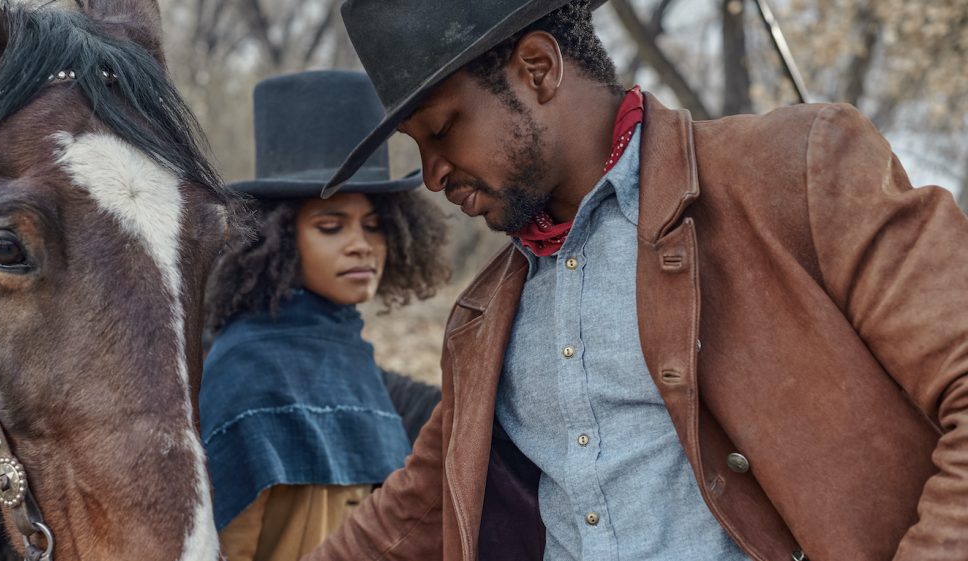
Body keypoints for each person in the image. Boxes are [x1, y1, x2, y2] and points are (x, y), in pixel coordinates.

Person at [304, 1, 968, 560]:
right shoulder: (482, 318)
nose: (432, 173)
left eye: (443, 129)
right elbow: (410, 514)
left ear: (537, 70)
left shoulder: (798, 169)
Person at [199, 70, 450, 561]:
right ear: (281, 239)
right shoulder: (247, 363)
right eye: (331, 226)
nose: (361, 245)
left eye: (374, 226)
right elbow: (227, 543)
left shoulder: (348, 352)